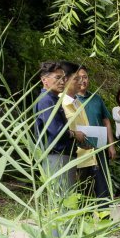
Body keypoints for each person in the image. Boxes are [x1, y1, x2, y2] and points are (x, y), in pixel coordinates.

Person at [63, 63, 115, 209]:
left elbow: (106, 121)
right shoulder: (64, 102)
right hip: (79, 154)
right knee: (83, 191)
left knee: (102, 185)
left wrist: (111, 144)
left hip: (98, 148)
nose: (82, 81)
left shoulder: (95, 99)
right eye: (78, 78)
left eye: (85, 77)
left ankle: (104, 218)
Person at [34, 60, 85, 206]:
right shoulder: (46, 100)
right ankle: (61, 230)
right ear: (44, 80)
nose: (62, 81)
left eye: (63, 78)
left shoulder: (53, 99)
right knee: (62, 202)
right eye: (57, 78)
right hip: (55, 156)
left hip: (62, 156)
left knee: (67, 199)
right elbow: (56, 130)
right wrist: (75, 134)